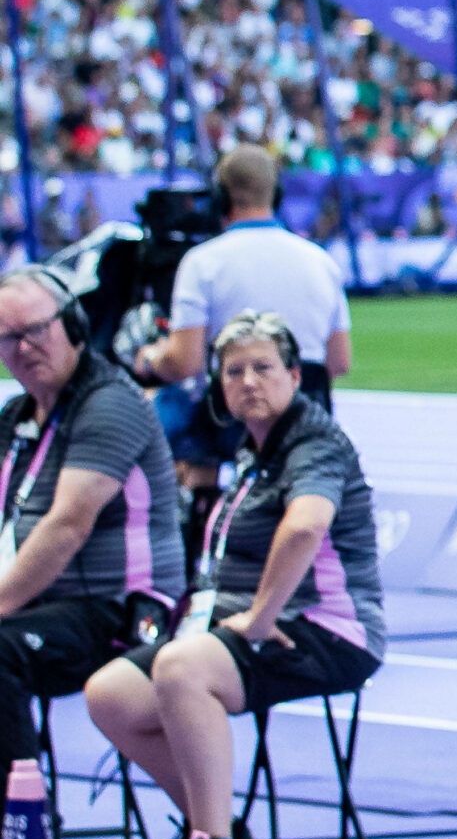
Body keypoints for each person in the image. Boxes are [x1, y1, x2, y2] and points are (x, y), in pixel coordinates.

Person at [86, 313, 381, 839]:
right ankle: (215, 828)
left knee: (181, 668)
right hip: (242, 624)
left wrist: (261, 618)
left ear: (295, 376)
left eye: (263, 368)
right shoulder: (251, 448)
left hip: (325, 629)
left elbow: (305, 527)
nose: (248, 381)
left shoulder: (314, 441)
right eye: (233, 371)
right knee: (110, 695)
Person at [0, 267, 187, 787]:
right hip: (49, 607)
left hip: (123, 611)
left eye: (36, 330)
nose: (24, 348)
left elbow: (67, 527)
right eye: (8, 338)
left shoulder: (108, 404)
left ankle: (22, 830)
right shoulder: (18, 418)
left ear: (73, 325)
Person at [131, 148, 351, 554]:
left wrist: (146, 358)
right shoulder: (320, 261)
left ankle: (195, 532)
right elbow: (339, 362)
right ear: (277, 195)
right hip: (309, 414)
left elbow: (185, 363)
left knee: (158, 410)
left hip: (230, 421)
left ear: (221, 199)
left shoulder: (203, 262)